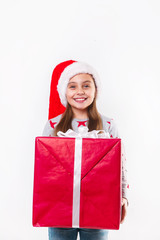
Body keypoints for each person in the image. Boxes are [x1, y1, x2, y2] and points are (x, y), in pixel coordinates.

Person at [42, 60, 129, 240]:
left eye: (86, 85)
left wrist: (123, 197)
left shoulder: (108, 125)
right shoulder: (53, 125)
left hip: (98, 209)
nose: (80, 91)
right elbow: (44, 168)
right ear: (64, 92)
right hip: (60, 211)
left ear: (95, 90)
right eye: (72, 86)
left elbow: (120, 164)